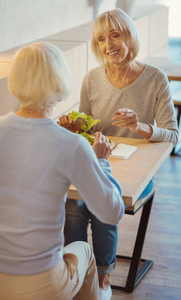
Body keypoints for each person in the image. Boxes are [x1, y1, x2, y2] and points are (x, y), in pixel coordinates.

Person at [0, 42, 125, 300]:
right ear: (60, 82)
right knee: (85, 251)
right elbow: (111, 212)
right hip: (41, 282)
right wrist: (101, 161)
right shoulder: (73, 144)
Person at [58, 8, 179, 300]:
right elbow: (87, 130)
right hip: (97, 164)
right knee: (74, 204)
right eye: (101, 39)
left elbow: (173, 136)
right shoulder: (91, 79)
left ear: (129, 36)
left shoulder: (155, 79)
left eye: (115, 35)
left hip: (137, 173)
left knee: (102, 206)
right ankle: (75, 273)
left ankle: (102, 276)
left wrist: (141, 127)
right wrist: (76, 127)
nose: (108, 45)